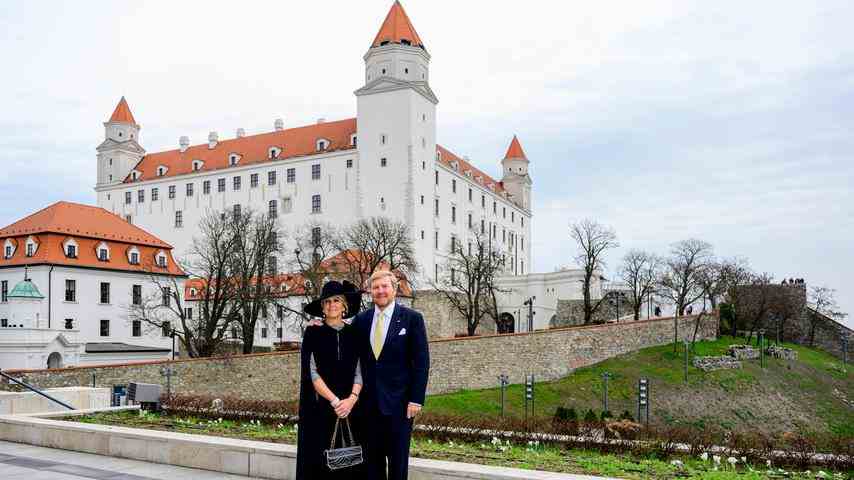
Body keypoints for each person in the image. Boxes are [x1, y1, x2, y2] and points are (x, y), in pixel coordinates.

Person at [353, 270, 429, 480]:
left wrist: (416, 399)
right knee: (371, 465)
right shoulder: (361, 320)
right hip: (368, 407)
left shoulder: (412, 319)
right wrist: (319, 323)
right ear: (370, 292)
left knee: (398, 465)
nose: (380, 291)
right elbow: (344, 341)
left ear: (394, 289)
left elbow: (421, 362)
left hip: (400, 405)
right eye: (376, 288)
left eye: (385, 286)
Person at [296, 280, 366, 479]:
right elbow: (311, 372)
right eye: (327, 302)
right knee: (320, 466)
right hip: (321, 408)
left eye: (336, 300)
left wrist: (351, 399)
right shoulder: (313, 333)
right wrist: (335, 401)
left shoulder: (355, 333)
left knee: (351, 465)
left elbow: (360, 370)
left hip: (351, 408)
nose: (332, 305)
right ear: (322, 307)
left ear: (344, 305)